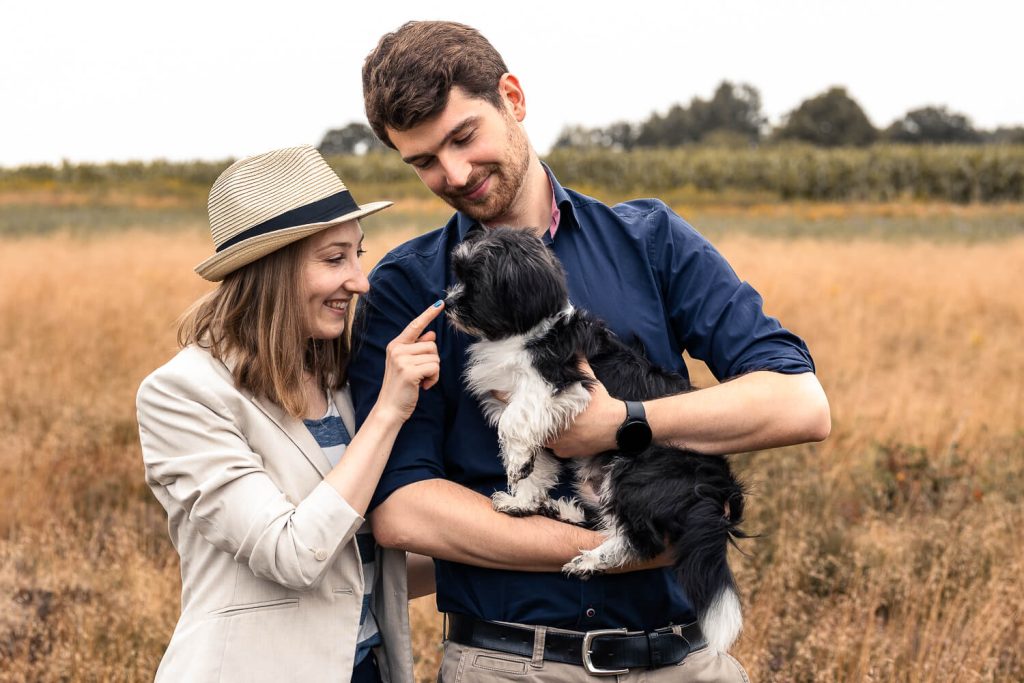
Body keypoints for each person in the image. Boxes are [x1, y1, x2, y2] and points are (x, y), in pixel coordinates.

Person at [351, 21, 832, 682]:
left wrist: (624, 422)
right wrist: (606, 549)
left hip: (684, 660)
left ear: (513, 99)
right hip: (509, 663)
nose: (454, 174)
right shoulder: (407, 284)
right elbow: (403, 508)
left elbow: (800, 403)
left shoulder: (653, 241)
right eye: (424, 161)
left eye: (463, 137)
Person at [136, 145, 442, 683]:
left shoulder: (338, 379)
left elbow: (361, 564)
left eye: (358, 254)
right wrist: (388, 413)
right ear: (270, 271)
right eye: (334, 259)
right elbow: (295, 554)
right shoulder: (181, 395)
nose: (360, 280)